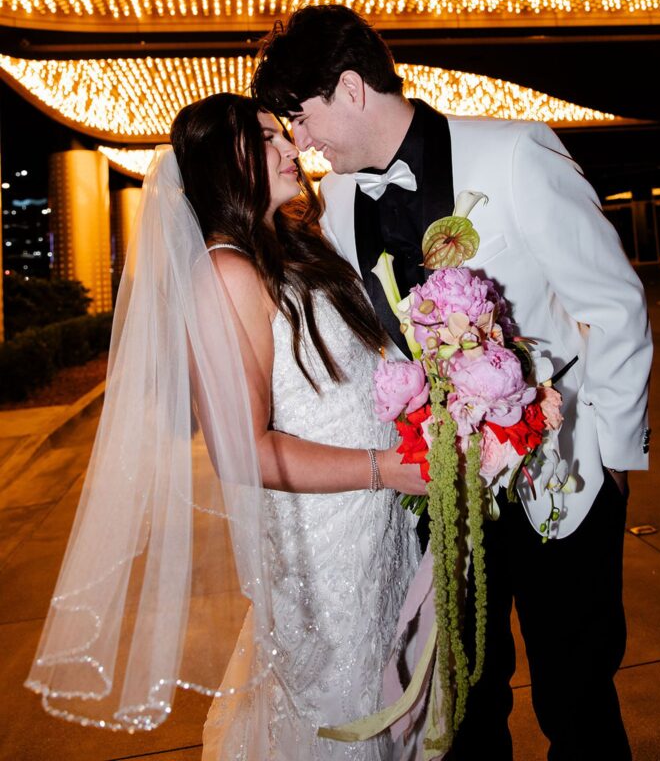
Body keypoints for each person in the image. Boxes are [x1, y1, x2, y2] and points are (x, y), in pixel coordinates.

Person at [251, 4, 653, 761]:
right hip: (437, 495)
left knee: (577, 698)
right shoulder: (333, 205)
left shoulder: (513, 153)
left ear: (349, 88)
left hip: (560, 483)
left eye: (300, 119)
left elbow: (615, 306)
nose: (300, 142)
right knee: (465, 701)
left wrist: (613, 455)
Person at [26, 92, 423, 760]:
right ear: (223, 163)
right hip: (321, 546)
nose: (291, 149)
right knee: (337, 715)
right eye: (267, 140)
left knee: (385, 703)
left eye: (282, 135)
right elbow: (244, 452)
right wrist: (387, 468)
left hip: (372, 527)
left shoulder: (295, 246)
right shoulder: (226, 273)